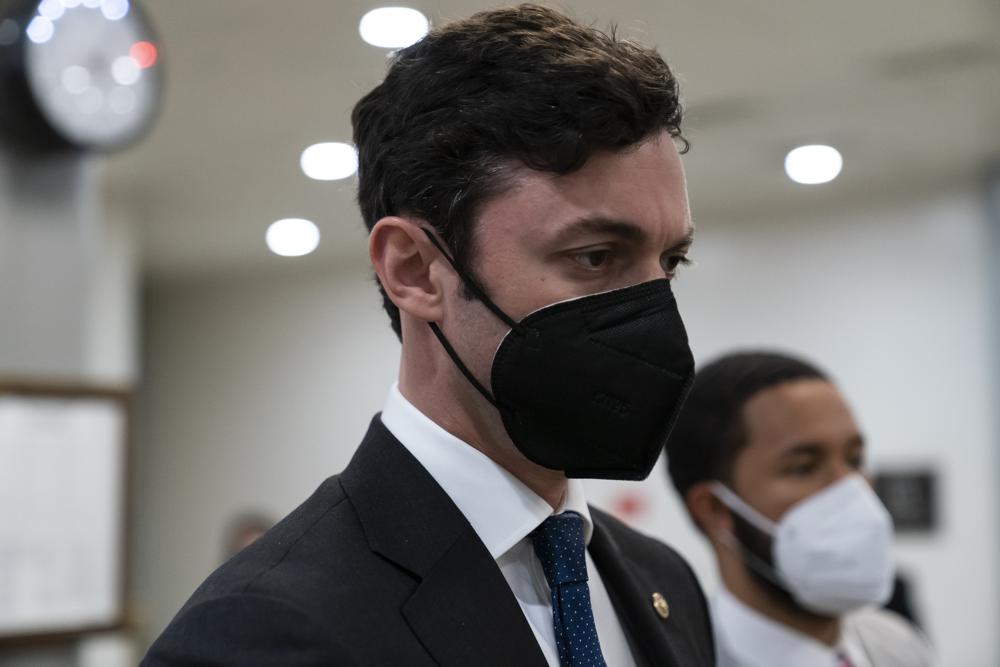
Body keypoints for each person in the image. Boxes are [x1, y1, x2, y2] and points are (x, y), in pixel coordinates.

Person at [143, 5, 714, 665]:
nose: (652, 309)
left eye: (670, 262)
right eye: (594, 256)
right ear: (414, 270)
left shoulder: (663, 581)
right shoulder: (263, 628)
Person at [664, 351, 936, 667]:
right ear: (715, 509)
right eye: (804, 467)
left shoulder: (899, 647)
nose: (851, 489)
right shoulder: (675, 657)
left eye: (854, 460)